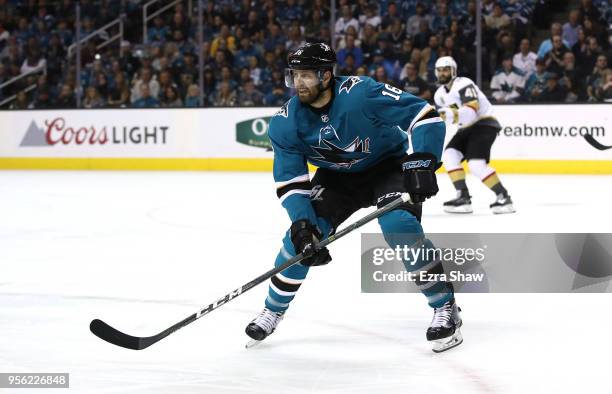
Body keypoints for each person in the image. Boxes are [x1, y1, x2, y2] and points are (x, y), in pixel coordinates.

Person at [244, 43, 463, 353]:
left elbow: (425, 116)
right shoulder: (285, 123)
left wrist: (424, 162)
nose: (299, 83)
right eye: (295, 75)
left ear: (326, 74)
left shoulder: (361, 93)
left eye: (307, 75)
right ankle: (272, 311)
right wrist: (302, 222)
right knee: (299, 240)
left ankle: (445, 306)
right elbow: (291, 181)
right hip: (336, 180)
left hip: (387, 165)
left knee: (398, 224)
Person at [433, 56, 515, 214]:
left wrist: (449, 114)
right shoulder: (438, 95)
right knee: (449, 156)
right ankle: (463, 197)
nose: (442, 73)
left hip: (484, 123)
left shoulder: (464, 83)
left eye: (446, 70)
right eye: (440, 70)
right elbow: (448, 119)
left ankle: (504, 197)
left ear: (453, 71)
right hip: (466, 128)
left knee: (476, 165)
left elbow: (471, 113)